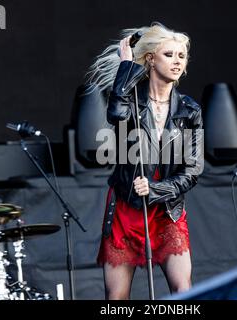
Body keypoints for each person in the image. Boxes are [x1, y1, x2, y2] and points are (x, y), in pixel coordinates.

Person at [87, 22, 204, 300]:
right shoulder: (130, 101)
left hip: (168, 211)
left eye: (181, 56)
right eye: (169, 54)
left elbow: (193, 169)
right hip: (126, 210)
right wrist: (126, 68)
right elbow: (115, 116)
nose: (177, 61)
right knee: (117, 298)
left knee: (183, 292)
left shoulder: (189, 110)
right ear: (150, 59)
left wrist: (156, 189)